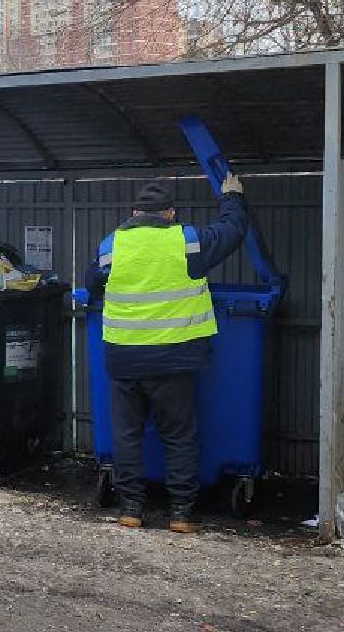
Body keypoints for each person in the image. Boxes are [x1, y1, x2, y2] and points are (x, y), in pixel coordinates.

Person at [85, 175, 248, 533]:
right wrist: (232, 198)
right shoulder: (187, 241)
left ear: (134, 212)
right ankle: (181, 513)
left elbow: (92, 283)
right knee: (179, 436)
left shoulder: (113, 244)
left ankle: (131, 508)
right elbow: (231, 232)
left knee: (127, 436)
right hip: (174, 359)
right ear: (170, 213)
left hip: (124, 358)